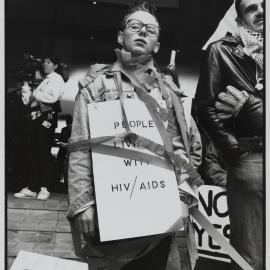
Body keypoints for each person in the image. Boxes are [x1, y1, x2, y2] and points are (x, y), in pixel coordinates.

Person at [67, 2, 202, 269]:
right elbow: (80, 147)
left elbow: (185, 149)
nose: (142, 32)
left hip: (158, 214)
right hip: (108, 209)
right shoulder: (95, 86)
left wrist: (184, 196)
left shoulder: (169, 93)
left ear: (157, 45)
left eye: (150, 30)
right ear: (121, 36)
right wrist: (83, 204)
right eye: (135, 26)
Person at [194, 0, 264, 269]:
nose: (260, 11)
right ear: (239, 18)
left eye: (263, 4)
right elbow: (204, 107)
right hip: (252, 158)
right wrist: (234, 149)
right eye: (251, 8)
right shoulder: (220, 51)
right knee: (251, 256)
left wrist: (252, 107)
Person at [14, 56, 65, 200]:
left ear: (55, 65)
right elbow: (28, 101)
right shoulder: (42, 80)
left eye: (49, 62)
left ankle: (45, 187)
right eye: (44, 62)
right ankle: (33, 187)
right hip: (36, 117)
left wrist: (35, 94)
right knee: (34, 152)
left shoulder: (56, 78)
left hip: (47, 118)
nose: (45, 64)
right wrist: (28, 91)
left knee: (43, 151)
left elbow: (51, 98)